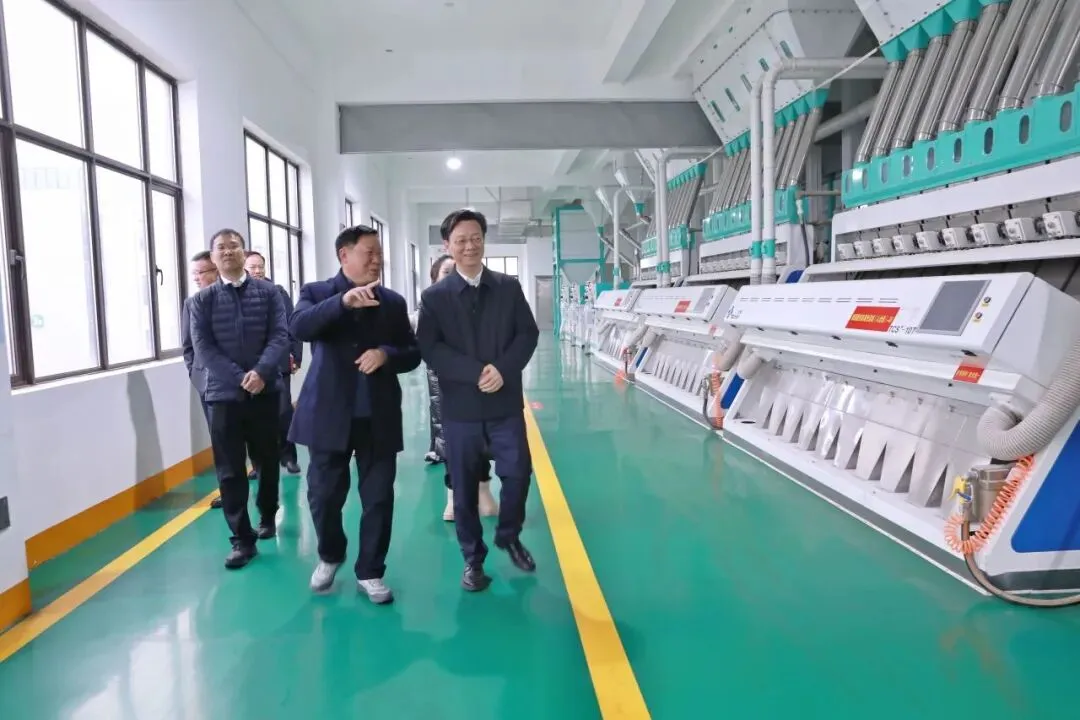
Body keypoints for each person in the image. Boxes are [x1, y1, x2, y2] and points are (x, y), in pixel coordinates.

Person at [289, 225, 420, 604]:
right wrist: (342, 303)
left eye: (379, 253)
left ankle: (371, 571)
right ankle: (331, 554)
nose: (377, 260)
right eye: (369, 253)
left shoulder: (392, 303)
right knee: (323, 496)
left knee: (378, 498)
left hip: (377, 415)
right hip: (328, 414)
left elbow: (413, 352)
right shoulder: (316, 293)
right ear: (344, 255)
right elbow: (299, 327)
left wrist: (386, 355)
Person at [416, 209, 540, 592]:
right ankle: (473, 560)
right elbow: (430, 347)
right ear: (448, 245)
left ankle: (509, 535)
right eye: (461, 240)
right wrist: (474, 373)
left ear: (484, 240)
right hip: (462, 411)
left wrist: (502, 369)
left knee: (518, 473)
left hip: (504, 406)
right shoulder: (435, 297)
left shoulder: (507, 287)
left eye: (475, 238)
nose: (469, 246)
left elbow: (527, 334)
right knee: (464, 490)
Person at [189, 229, 290, 570]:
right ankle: (241, 540)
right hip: (223, 396)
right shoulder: (201, 301)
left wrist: (261, 373)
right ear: (213, 258)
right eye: (221, 247)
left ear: (244, 252)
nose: (228, 251)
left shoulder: (269, 292)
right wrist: (239, 378)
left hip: (265, 392)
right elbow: (203, 348)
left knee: (267, 460)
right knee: (230, 469)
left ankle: (267, 513)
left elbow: (280, 335)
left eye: (234, 246)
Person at [420, 254, 498, 522]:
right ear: (434, 279)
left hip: (480, 382)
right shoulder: (429, 307)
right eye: (446, 272)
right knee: (451, 441)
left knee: (482, 437)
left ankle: (483, 489)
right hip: (446, 387)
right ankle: (453, 496)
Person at [244, 250, 303, 476]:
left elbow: (293, 326)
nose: (257, 271)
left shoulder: (277, 292)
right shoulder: (237, 295)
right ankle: (258, 464)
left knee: (282, 411)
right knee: (253, 418)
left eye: (260, 266)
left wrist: (296, 355)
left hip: (278, 363)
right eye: (252, 267)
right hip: (250, 367)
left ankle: (289, 457)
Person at [182, 251, 222, 510]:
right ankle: (227, 490)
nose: (197, 278)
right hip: (208, 384)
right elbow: (188, 346)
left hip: (239, 381)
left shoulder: (232, 299)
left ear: (216, 270)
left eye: (201, 272)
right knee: (219, 439)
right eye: (194, 273)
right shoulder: (191, 303)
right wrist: (195, 374)